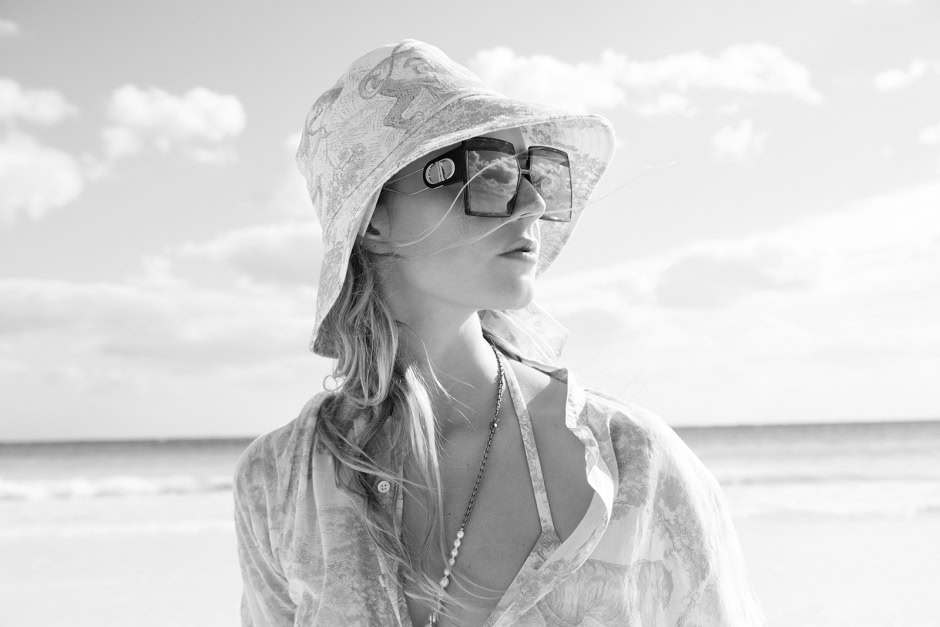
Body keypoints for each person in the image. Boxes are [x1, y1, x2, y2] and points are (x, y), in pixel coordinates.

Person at [233, 39, 766, 627]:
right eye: (489, 173)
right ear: (374, 219)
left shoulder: (634, 464)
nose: (533, 203)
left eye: (535, 174)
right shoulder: (281, 481)